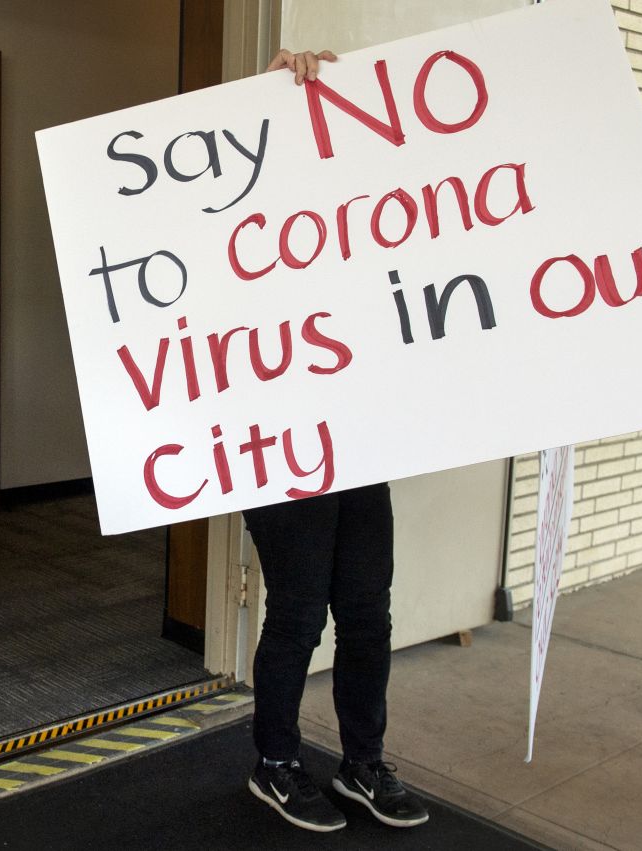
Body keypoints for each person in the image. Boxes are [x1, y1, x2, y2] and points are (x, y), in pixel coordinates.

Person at [242, 49, 429, 833]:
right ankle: (276, 762)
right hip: (282, 437)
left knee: (367, 611)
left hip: (359, 437)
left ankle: (361, 762)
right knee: (297, 610)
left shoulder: (363, 213)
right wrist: (268, 88)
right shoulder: (239, 211)